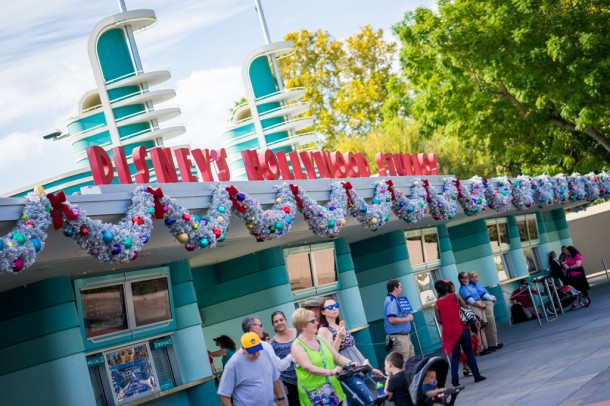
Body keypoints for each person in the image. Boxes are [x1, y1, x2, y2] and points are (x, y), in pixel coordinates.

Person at [319, 298, 383, 405]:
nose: (334, 308)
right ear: (323, 312)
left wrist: (370, 368)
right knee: (370, 401)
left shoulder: (340, 325)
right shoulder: (324, 330)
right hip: (346, 373)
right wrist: (339, 337)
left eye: (336, 305)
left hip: (358, 370)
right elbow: (331, 355)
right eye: (330, 307)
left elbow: (354, 349)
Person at [291, 307, 354, 405]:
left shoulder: (319, 339)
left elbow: (337, 357)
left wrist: (352, 363)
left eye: (315, 320)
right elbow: (308, 367)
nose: (316, 323)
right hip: (316, 395)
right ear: (302, 326)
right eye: (312, 321)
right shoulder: (297, 345)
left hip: (334, 390)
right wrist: (331, 372)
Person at [434, 280, 486, 387]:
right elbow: (466, 308)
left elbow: (439, 321)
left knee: (456, 355)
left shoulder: (437, 304)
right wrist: (474, 320)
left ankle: (455, 379)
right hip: (462, 328)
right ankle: (477, 376)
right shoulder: (456, 296)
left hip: (449, 332)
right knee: (469, 352)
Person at [217, 332, 285, 406]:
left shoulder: (265, 352)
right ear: (243, 348)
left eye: (258, 350)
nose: (257, 354)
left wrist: (280, 399)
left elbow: (274, 378)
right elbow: (224, 395)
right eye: (252, 352)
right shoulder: (233, 364)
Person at [242, 316, 292, 403]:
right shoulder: (265, 346)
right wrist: (292, 355)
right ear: (253, 327)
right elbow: (279, 367)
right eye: (260, 325)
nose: (263, 328)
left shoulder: (241, 351)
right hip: (273, 393)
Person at [457, 272, 491, 355]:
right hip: (474, 306)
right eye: (465, 277)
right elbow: (470, 300)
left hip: (479, 303)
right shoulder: (463, 289)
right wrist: (481, 306)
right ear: (461, 279)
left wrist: (482, 304)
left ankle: (486, 347)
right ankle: (481, 349)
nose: (467, 278)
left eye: (467, 276)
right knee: (478, 328)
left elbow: (478, 294)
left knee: (482, 326)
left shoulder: (470, 286)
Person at [270, 311, 299, 406]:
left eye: (281, 320)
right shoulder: (273, 344)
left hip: (307, 376)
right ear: (273, 325)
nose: (279, 323)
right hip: (289, 383)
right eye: (276, 321)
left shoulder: (298, 333)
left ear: (286, 320)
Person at [468, 272, 502, 351]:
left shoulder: (476, 285)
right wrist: (492, 298)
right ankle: (492, 344)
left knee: (491, 323)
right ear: (471, 278)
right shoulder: (472, 286)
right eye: (475, 276)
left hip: (487, 302)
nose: (477, 277)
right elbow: (482, 295)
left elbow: (486, 293)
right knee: (490, 323)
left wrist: (492, 297)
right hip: (485, 303)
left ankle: (494, 343)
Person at [384, 279, 415, 360]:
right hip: (398, 338)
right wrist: (407, 318)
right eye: (400, 286)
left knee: (411, 363)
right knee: (402, 365)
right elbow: (391, 319)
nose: (401, 288)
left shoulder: (395, 300)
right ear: (395, 288)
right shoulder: (391, 301)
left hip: (404, 337)